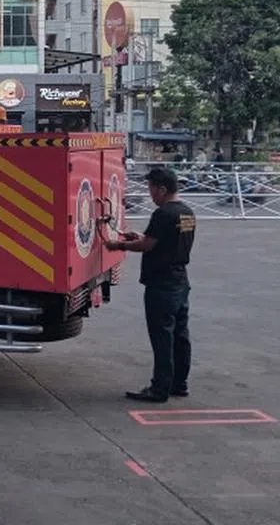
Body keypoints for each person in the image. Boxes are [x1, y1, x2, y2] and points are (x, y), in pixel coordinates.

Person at [104, 167, 196, 403]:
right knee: (179, 335)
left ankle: (159, 387)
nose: (150, 194)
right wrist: (140, 238)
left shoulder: (164, 213)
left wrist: (119, 246)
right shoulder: (187, 213)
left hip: (162, 283)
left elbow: (149, 246)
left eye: (151, 189)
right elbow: (159, 241)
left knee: (161, 336)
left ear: (162, 189)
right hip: (180, 280)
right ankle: (179, 383)